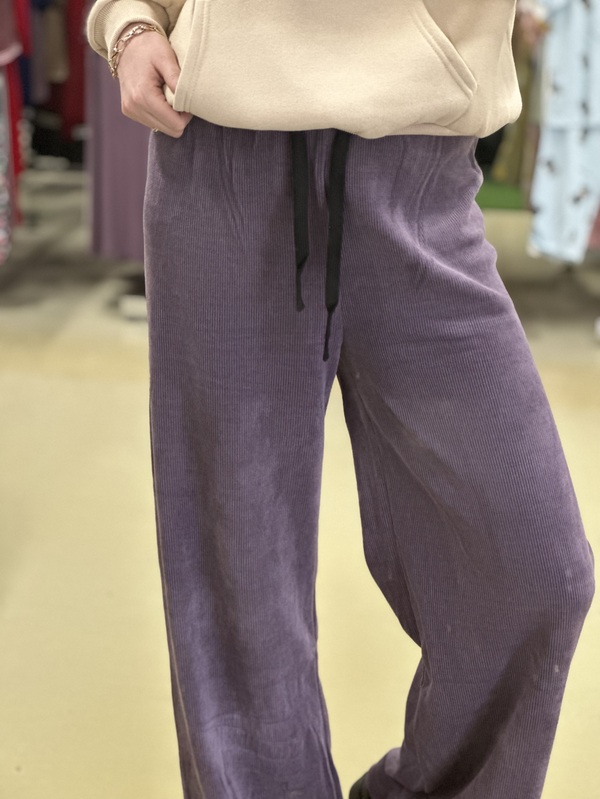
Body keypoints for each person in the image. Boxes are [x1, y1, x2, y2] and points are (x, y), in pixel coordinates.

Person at [86, 3, 595, 798]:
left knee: (535, 569)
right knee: (241, 598)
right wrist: (130, 21)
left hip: (422, 169)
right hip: (225, 155)